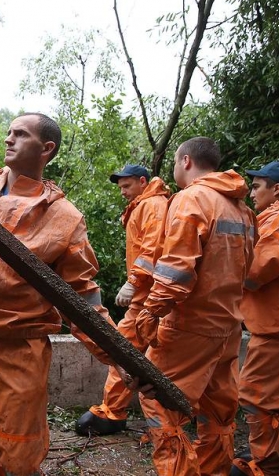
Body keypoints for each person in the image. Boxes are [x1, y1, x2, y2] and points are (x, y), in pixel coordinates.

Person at [0, 112, 118, 475]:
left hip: (19, 347)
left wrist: (117, 354)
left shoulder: (64, 218)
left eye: (20, 134)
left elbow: (82, 295)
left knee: (20, 452)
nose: (8, 139)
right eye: (8, 132)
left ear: (46, 148)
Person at [135, 137, 256, 476]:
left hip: (190, 325)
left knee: (158, 401)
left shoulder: (192, 199)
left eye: (175, 162)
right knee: (218, 410)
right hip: (228, 326)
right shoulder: (243, 210)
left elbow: (177, 268)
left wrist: (151, 311)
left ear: (185, 161)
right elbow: (247, 267)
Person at [76, 164, 170, 435]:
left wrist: (134, 282)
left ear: (143, 182)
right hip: (150, 297)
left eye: (127, 186)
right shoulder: (145, 205)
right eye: (120, 188)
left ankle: (114, 412)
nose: (123, 192)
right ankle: (116, 410)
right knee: (131, 351)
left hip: (149, 299)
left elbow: (153, 248)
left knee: (124, 350)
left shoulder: (153, 205)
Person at [230, 162, 279, 476]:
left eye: (257, 186)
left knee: (256, 396)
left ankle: (269, 467)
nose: (252, 193)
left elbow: (253, 273)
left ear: (277, 189)